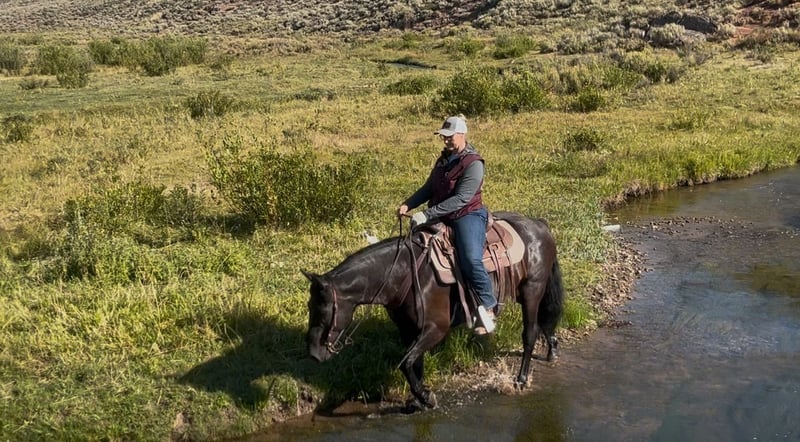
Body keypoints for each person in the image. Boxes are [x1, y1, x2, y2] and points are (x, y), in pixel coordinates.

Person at [397, 115, 497, 334]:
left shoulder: (474, 164)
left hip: (466, 215)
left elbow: (461, 199)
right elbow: (429, 188)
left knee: (470, 258)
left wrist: (427, 214)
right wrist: (409, 204)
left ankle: (489, 306)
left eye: (450, 137)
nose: (445, 140)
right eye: (443, 136)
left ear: (462, 134)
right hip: (442, 213)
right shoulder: (443, 160)